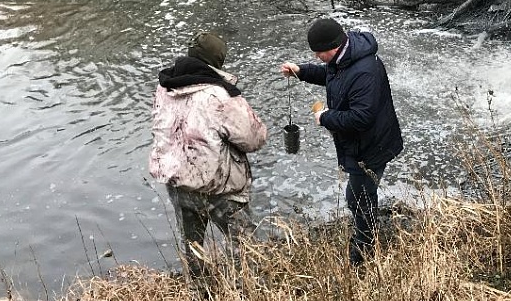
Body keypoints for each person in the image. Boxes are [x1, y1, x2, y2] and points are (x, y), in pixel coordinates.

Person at [280, 18, 403, 266]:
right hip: (365, 143)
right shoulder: (346, 58)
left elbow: (362, 116)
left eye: (319, 52)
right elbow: (331, 75)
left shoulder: (364, 71)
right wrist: (301, 71)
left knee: (357, 196)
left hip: (370, 147)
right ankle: (367, 237)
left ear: (333, 46)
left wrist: (325, 117)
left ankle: (364, 251)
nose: (317, 56)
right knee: (362, 194)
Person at [149, 31, 267, 280]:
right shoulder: (219, 96)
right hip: (219, 188)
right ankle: (247, 298)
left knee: (193, 247)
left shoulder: (164, 88)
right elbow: (254, 138)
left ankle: (199, 293)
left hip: (178, 183)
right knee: (244, 249)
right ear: (218, 62)